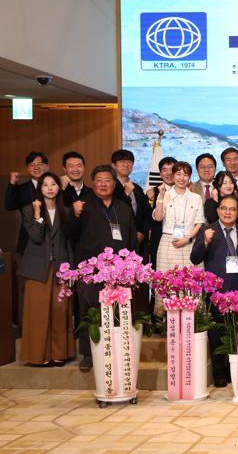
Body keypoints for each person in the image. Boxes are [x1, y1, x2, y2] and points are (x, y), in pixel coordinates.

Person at [65, 165, 137, 370]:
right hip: (90, 271)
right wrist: (74, 215)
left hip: (119, 271)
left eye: (108, 180)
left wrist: (132, 266)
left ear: (114, 183)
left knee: (119, 311)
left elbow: (131, 238)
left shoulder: (123, 207)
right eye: (99, 180)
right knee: (89, 310)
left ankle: (119, 350)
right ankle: (89, 353)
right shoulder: (83, 206)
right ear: (93, 183)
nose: (104, 184)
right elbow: (69, 234)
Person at [189, 195, 238, 387]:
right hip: (216, 292)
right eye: (224, 208)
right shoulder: (207, 230)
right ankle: (219, 374)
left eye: (232, 209)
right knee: (217, 334)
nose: (227, 212)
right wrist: (205, 242)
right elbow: (195, 258)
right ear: (218, 210)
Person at [18, 172, 75, 367]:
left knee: (60, 310)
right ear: (39, 188)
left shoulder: (65, 211)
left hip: (61, 267)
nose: (50, 188)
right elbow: (35, 237)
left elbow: (69, 243)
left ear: (59, 187)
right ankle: (38, 356)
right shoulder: (29, 209)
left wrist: (71, 270)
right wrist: (37, 215)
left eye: (53, 184)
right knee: (38, 312)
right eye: (45, 185)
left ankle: (59, 354)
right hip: (37, 268)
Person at [151, 161, 206, 315]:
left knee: (191, 282)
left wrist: (187, 238)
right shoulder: (165, 195)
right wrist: (161, 197)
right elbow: (158, 217)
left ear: (190, 177)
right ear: (173, 175)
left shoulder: (195, 197)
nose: (182, 178)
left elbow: (199, 223)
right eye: (178, 174)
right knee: (167, 282)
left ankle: (193, 319)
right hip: (168, 243)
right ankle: (167, 320)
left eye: (185, 175)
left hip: (189, 242)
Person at [6, 151, 49, 254]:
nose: (36, 167)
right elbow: (9, 205)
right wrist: (12, 183)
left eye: (39, 164)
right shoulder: (21, 189)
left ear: (47, 167)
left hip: (50, 237)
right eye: (32, 165)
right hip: (27, 239)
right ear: (27, 169)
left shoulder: (55, 187)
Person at [111, 149, 150, 257]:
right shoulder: (110, 187)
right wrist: (126, 194)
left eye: (129, 162)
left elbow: (146, 213)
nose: (126, 165)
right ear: (113, 165)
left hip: (138, 239)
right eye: (121, 161)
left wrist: (142, 232)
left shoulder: (137, 188)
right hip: (117, 238)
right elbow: (113, 210)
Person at [147, 156, 177, 269]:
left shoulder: (186, 191)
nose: (169, 173)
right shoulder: (152, 193)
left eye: (172, 169)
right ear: (160, 173)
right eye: (165, 170)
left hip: (180, 239)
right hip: (159, 240)